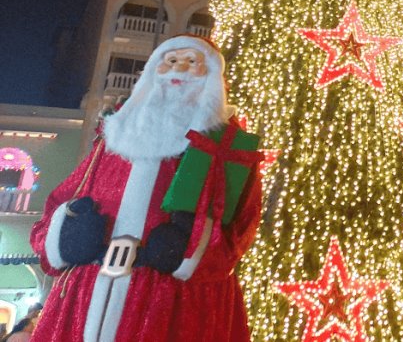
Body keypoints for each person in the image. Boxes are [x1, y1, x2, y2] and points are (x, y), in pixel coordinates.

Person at [29, 35, 262, 342]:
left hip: (169, 304)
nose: (179, 69)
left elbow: (240, 231)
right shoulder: (114, 136)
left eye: (192, 62)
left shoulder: (226, 145)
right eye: (171, 60)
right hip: (85, 299)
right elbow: (59, 202)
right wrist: (65, 236)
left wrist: (186, 248)